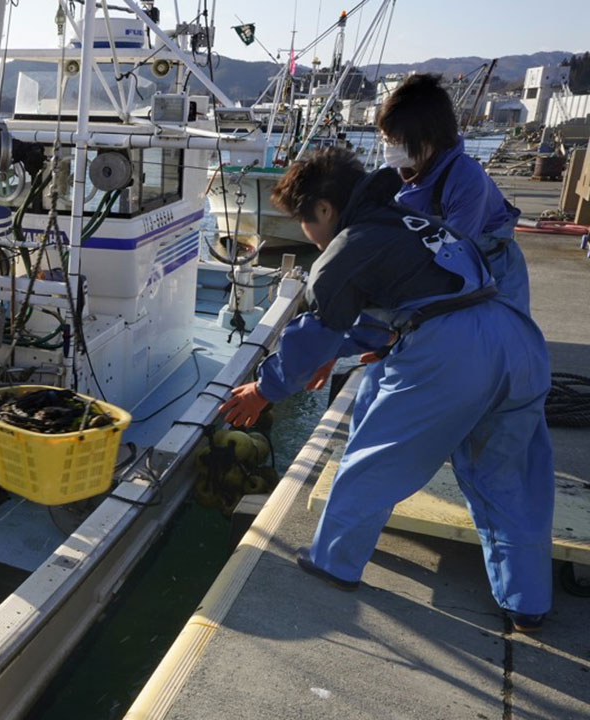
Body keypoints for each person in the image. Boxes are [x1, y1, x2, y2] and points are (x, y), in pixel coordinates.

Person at [218, 149, 555, 631]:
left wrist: (264, 390)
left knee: (374, 459)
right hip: (515, 337)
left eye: (303, 221)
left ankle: (334, 561)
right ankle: (527, 601)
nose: (308, 234)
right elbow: (405, 302)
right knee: (510, 475)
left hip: (454, 353)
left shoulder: (348, 246)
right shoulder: (411, 221)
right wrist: (346, 348)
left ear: (324, 209)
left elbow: (313, 332)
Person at [377, 73, 530, 315]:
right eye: (386, 138)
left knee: (493, 340)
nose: (389, 146)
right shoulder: (391, 173)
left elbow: (454, 253)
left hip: (488, 264)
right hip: (431, 255)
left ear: (430, 138)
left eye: (397, 140)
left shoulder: (467, 179)